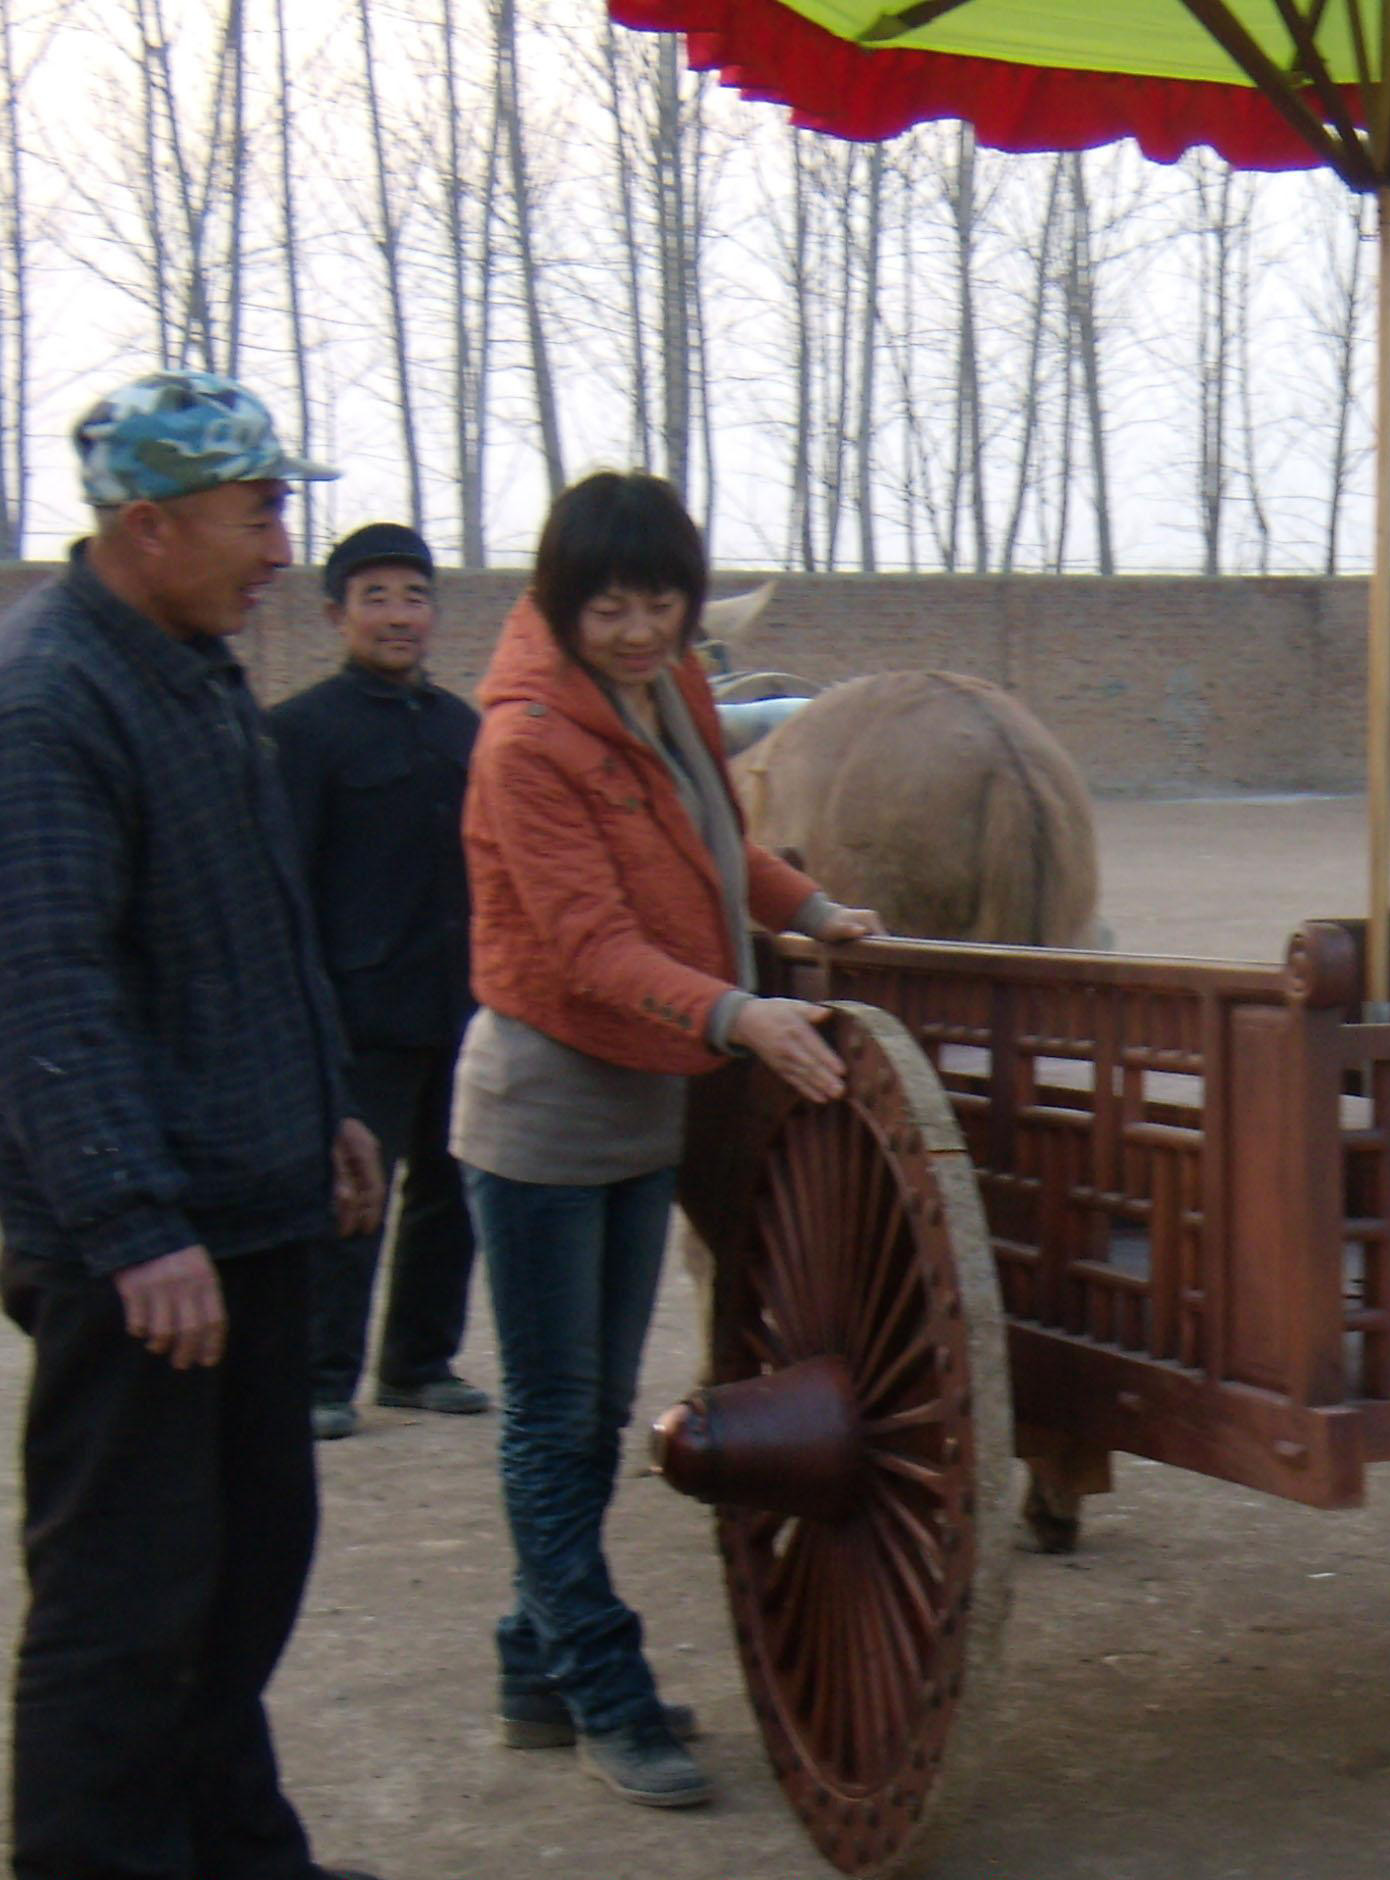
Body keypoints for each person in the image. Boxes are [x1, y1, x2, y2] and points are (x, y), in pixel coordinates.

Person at [0, 369, 388, 1880]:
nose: (284, 543)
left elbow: (264, 923)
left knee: (240, 1572)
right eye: (259, 511)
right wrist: (132, 1223)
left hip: (253, 1202)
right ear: (146, 526)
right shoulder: (48, 704)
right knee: (123, 1599)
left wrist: (330, 1113)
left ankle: (232, 1853)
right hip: (148, 1253)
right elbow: (43, 984)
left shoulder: (196, 666)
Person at [452, 470, 882, 1808]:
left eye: (662, 603)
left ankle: (534, 1659)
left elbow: (713, 857)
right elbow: (589, 946)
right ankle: (600, 1682)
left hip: (646, 1096)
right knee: (561, 1421)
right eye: (611, 606)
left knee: (580, 1409)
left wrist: (813, 908)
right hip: (543, 1110)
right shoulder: (525, 741)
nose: (640, 629)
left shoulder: (669, 695)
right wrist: (742, 1011)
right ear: (559, 601)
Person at [271, 523, 489, 1440]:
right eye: (377, 598)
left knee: (452, 1191)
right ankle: (321, 1377)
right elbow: (285, 884)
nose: (399, 616)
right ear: (338, 614)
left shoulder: (464, 730)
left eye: (414, 597)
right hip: (357, 1010)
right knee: (349, 1195)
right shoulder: (299, 733)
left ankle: (418, 1363)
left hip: (461, 1002)